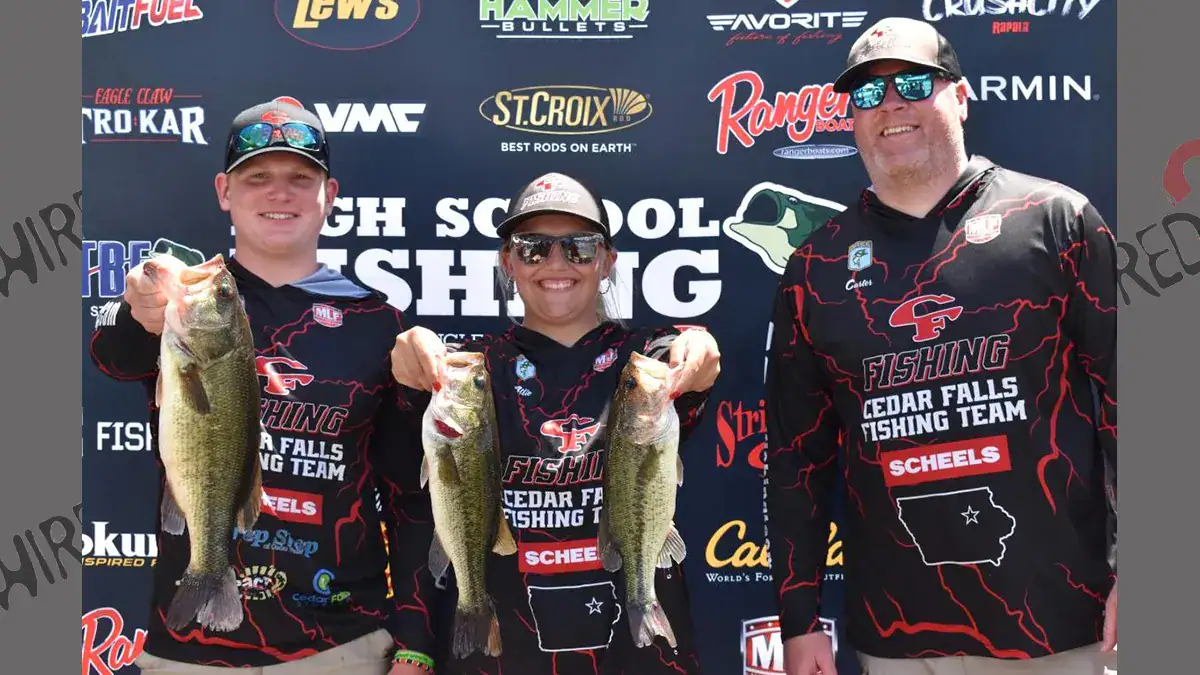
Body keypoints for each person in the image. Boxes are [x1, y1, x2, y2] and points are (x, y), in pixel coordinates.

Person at [763, 17, 1118, 675]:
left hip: (1060, 621)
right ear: (851, 118)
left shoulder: (1054, 220)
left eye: (913, 83)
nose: (890, 104)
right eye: (867, 93)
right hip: (899, 637)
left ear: (959, 95)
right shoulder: (814, 267)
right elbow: (795, 458)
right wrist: (800, 617)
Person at [89, 96, 439, 675]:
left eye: (301, 177)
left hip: (340, 644)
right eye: (258, 178)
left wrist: (417, 641)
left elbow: (412, 500)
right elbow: (113, 357)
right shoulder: (187, 297)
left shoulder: (378, 322)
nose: (280, 193)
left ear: (330, 195)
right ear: (225, 191)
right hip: (189, 648)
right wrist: (139, 309)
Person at [389, 172, 722, 674]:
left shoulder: (643, 362)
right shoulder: (470, 372)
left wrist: (699, 353)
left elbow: (699, 363)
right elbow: (415, 507)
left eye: (580, 247)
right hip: (502, 655)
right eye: (533, 248)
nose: (557, 262)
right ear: (508, 262)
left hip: (638, 658)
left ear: (608, 261)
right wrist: (410, 358)